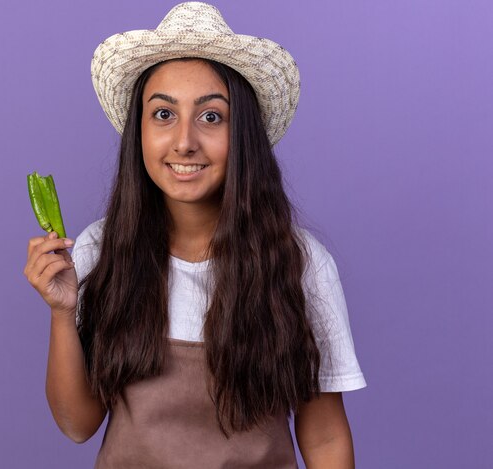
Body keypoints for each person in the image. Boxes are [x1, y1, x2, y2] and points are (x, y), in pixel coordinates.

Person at [24, 2, 366, 467]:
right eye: (163, 114)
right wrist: (62, 312)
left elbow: (324, 437)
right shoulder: (99, 251)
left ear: (243, 134)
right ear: (138, 132)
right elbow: (77, 423)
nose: (184, 141)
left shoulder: (300, 263)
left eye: (211, 117)